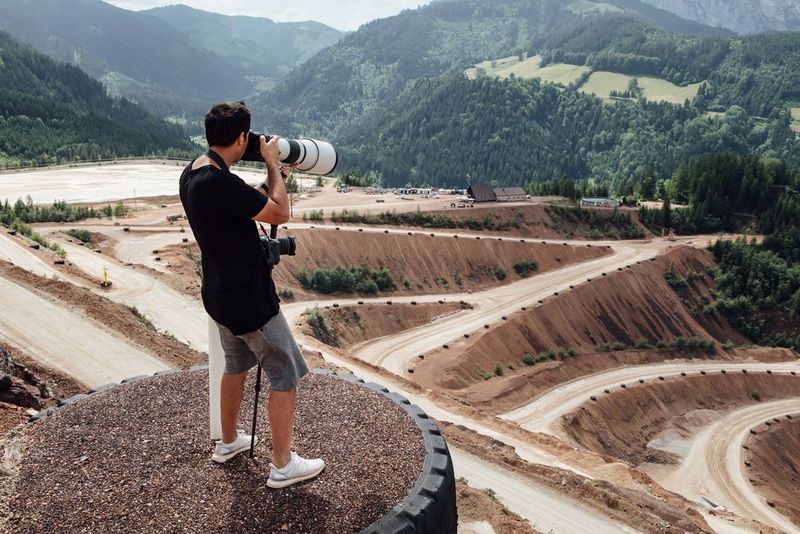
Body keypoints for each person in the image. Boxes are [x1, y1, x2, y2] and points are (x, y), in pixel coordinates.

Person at [179, 101, 324, 489]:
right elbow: (279, 214)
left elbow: (241, 203)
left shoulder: (193, 174)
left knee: (235, 366)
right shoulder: (221, 183)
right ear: (242, 138)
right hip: (250, 302)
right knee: (286, 374)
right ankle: (283, 465)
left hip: (219, 296)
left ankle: (227, 443)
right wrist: (273, 165)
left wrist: (270, 180)